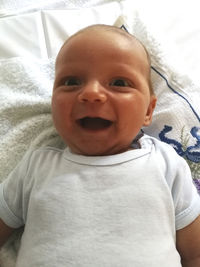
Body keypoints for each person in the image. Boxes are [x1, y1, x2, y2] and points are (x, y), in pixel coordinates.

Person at [0, 24, 200, 267]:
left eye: (118, 82)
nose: (92, 93)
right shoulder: (37, 165)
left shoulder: (166, 164)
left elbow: (194, 253)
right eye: (71, 81)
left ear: (148, 110)